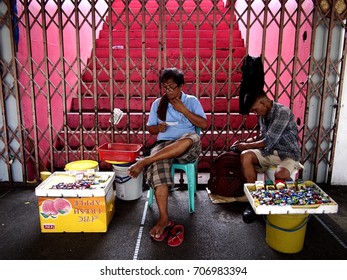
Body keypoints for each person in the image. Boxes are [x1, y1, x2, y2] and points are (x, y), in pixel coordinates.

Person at [128, 67, 208, 240]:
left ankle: (146, 160)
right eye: (165, 87)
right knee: (159, 168)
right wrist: (158, 128)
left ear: (181, 86)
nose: (168, 91)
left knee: (189, 139)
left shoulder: (191, 101)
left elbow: (204, 124)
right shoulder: (158, 103)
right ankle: (164, 218)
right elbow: (151, 129)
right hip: (163, 145)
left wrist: (183, 110)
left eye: (172, 87)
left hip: (187, 145)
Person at [231, 90, 303, 223]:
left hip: (287, 153)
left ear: (264, 103)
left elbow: (268, 140)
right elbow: (262, 137)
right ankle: (253, 200)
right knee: (246, 156)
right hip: (269, 152)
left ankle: (281, 204)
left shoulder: (282, 112)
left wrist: (246, 145)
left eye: (255, 109)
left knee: (280, 175)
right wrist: (245, 143)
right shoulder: (263, 113)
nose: (255, 113)